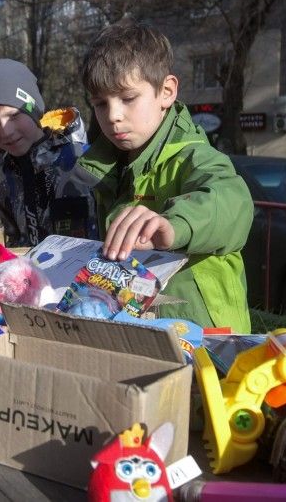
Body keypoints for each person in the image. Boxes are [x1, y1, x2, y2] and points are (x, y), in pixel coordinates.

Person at [74, 20, 253, 332]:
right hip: (142, 329)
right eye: (101, 104)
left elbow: (232, 203)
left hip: (206, 340)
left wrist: (173, 226)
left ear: (167, 92)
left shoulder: (194, 156)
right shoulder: (102, 166)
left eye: (128, 98)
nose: (113, 115)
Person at [0, 58, 97, 247]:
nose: (6, 131)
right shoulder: (1, 177)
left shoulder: (80, 159)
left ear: (33, 109)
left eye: (14, 115)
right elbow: (12, 240)